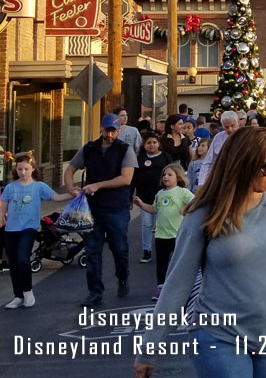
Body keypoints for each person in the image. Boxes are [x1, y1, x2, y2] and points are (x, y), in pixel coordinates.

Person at [133, 126, 266, 378]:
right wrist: (150, 348)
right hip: (217, 336)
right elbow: (177, 283)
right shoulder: (204, 212)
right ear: (242, 165)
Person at [65, 112, 138, 306]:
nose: (110, 135)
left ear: (119, 129)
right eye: (107, 130)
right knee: (92, 250)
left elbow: (126, 179)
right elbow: (70, 168)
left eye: (114, 131)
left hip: (117, 207)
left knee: (119, 248)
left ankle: (123, 277)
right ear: (101, 128)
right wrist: (70, 187)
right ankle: (94, 291)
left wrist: (98, 185)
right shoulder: (89, 148)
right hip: (93, 208)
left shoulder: (125, 150)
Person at [0, 154, 73, 308]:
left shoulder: (39, 187)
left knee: (22, 258)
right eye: (20, 169)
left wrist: (73, 194)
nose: (23, 172)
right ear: (16, 169)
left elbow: (57, 198)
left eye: (26, 169)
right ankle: (17, 296)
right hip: (11, 229)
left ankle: (27, 292)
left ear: (33, 168)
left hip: (28, 228)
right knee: (13, 262)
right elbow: (3, 206)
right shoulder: (10, 187)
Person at [133, 163, 194, 301]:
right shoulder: (159, 194)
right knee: (161, 263)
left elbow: (195, 201)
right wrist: (141, 204)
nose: (166, 177)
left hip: (177, 234)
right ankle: (160, 287)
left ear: (178, 178)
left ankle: (183, 289)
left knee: (179, 263)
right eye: (164, 175)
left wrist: (185, 209)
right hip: (161, 235)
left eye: (170, 174)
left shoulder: (182, 192)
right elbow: (154, 209)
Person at [132, 132, 172, 265]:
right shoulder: (139, 158)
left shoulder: (165, 157)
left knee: (161, 224)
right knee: (146, 224)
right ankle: (146, 250)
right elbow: (133, 178)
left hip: (162, 196)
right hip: (144, 197)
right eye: (149, 143)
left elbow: (173, 174)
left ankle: (165, 248)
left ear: (158, 144)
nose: (152, 145)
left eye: (154, 142)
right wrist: (130, 196)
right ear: (144, 145)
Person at [195, 110, 241, 188]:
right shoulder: (218, 138)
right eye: (226, 127)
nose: (230, 129)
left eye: (233, 125)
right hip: (220, 180)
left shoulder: (246, 137)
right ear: (222, 126)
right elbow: (208, 162)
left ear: (238, 123)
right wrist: (202, 183)